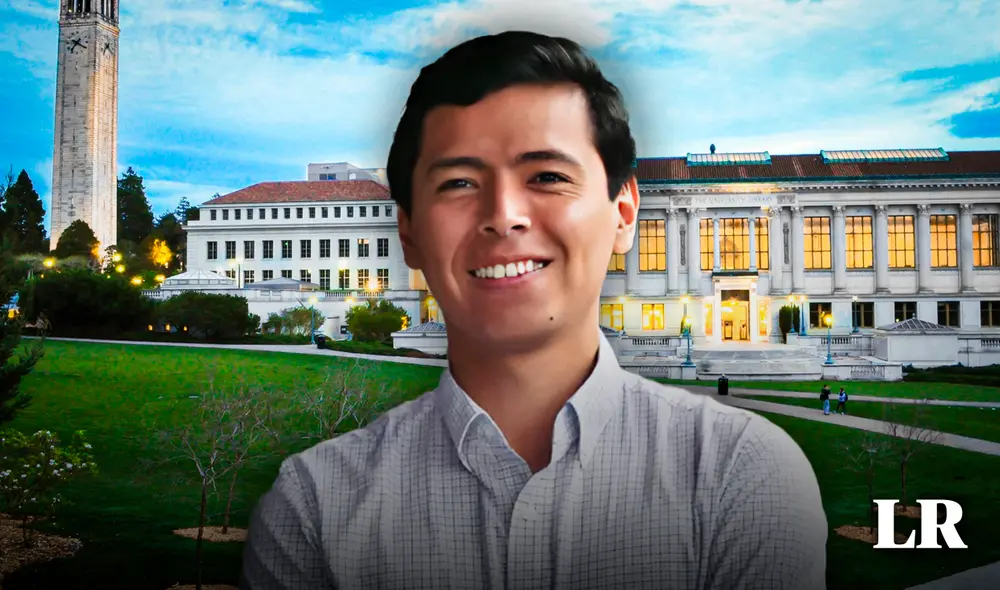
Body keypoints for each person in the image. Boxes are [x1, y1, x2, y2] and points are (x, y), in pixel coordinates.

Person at [241, 30, 828, 590]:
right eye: (459, 183)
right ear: (410, 233)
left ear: (623, 214)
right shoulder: (312, 508)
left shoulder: (747, 473)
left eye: (547, 176)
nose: (505, 215)